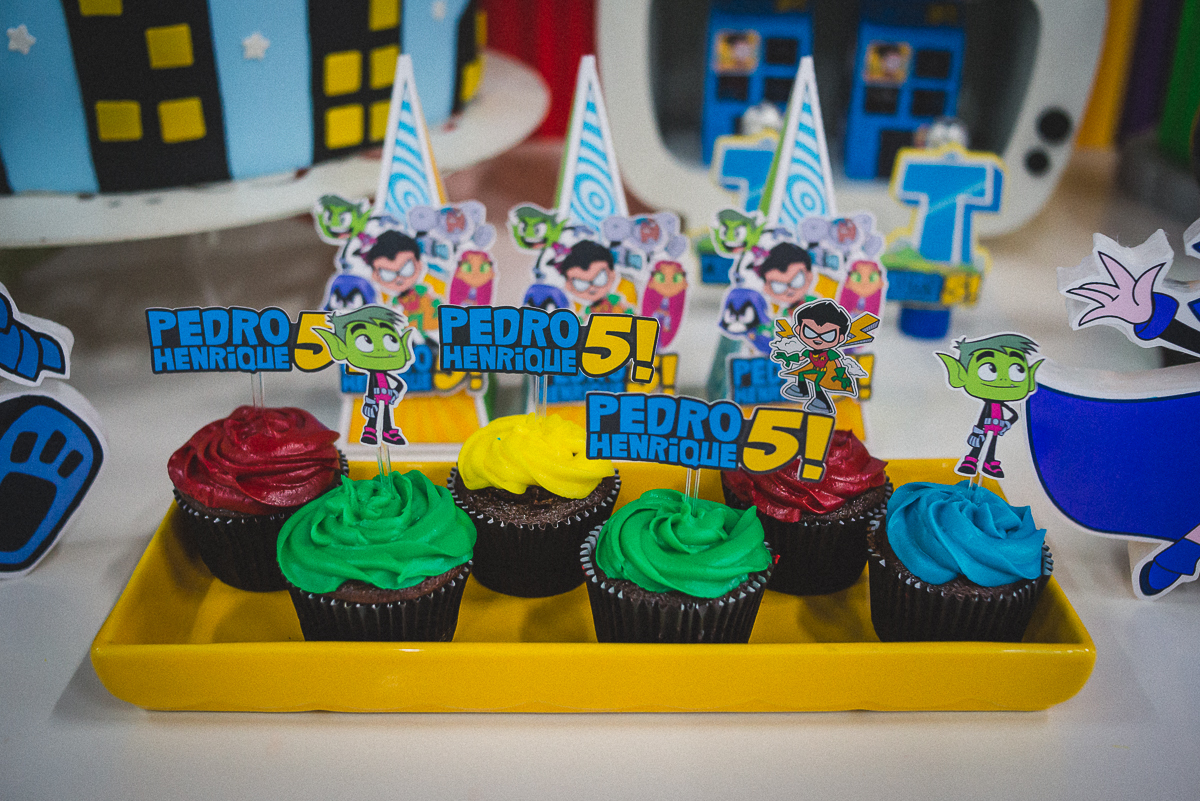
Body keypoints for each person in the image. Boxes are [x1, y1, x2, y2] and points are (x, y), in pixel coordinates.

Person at [936, 333, 1042, 478]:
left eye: (1018, 369)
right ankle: (971, 459)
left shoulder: (1002, 404)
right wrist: (977, 431)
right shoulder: (987, 405)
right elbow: (982, 417)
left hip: (997, 428)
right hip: (984, 427)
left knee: (992, 445)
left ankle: (989, 462)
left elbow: (1014, 415)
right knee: (978, 443)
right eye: (989, 369)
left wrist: (1007, 423)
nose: (1004, 379)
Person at [315, 305, 415, 446]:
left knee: (386, 416)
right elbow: (371, 387)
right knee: (373, 417)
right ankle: (371, 431)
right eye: (365, 341)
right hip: (375, 399)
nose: (380, 350)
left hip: (386, 398)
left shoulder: (385, 373)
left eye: (390, 340)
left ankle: (387, 431)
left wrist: (395, 393)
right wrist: (369, 401)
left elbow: (398, 384)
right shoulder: (372, 375)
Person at [364, 230, 439, 332]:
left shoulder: (423, 291)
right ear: (375, 276)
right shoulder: (392, 302)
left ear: (419, 264)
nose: (399, 279)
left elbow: (435, 305)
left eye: (406, 269)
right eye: (388, 274)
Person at [555, 240, 633, 316]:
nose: (592, 288)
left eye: (600, 279)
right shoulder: (584, 308)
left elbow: (627, 310)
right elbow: (583, 319)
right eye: (581, 284)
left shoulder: (614, 298)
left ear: (612, 274)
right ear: (568, 286)